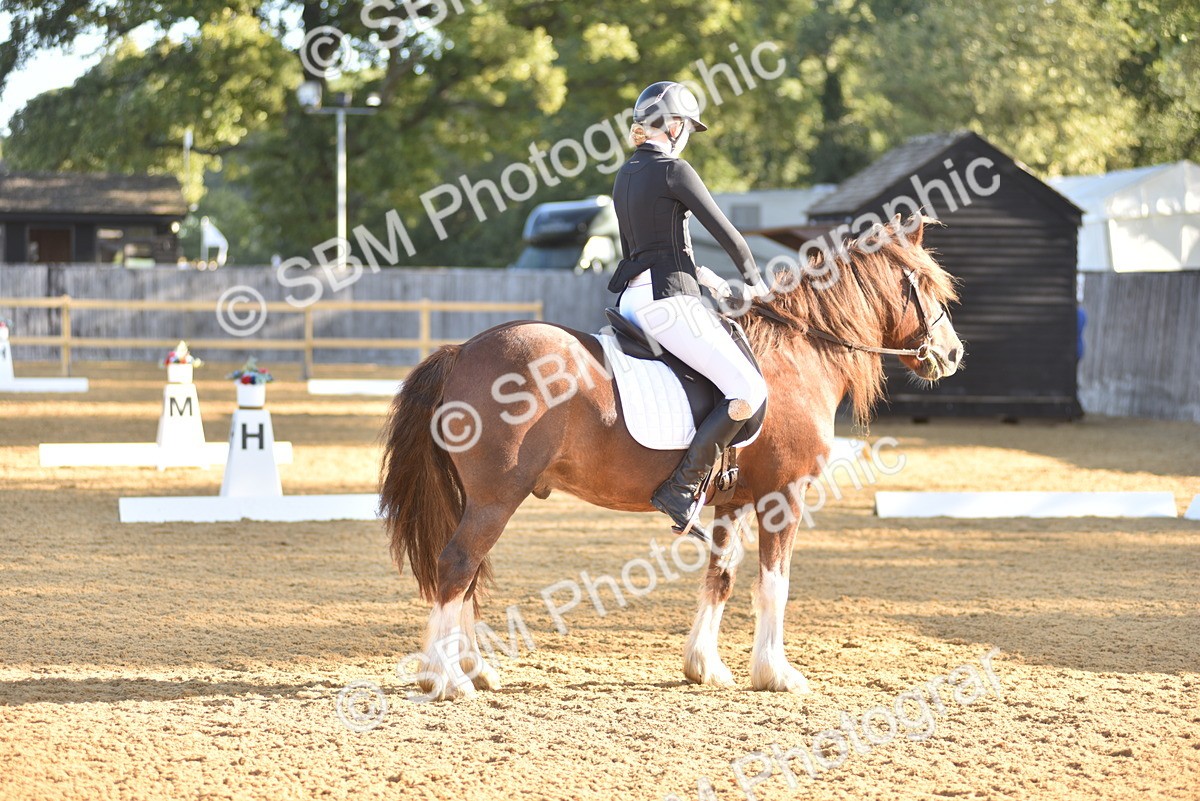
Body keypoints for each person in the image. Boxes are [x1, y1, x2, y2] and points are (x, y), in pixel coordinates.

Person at [608, 81, 770, 539]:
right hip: (668, 304)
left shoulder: (626, 175)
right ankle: (681, 487)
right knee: (747, 388)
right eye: (687, 128)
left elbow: (659, 250)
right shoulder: (674, 170)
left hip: (633, 303)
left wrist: (717, 285)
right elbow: (729, 235)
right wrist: (753, 281)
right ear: (675, 125)